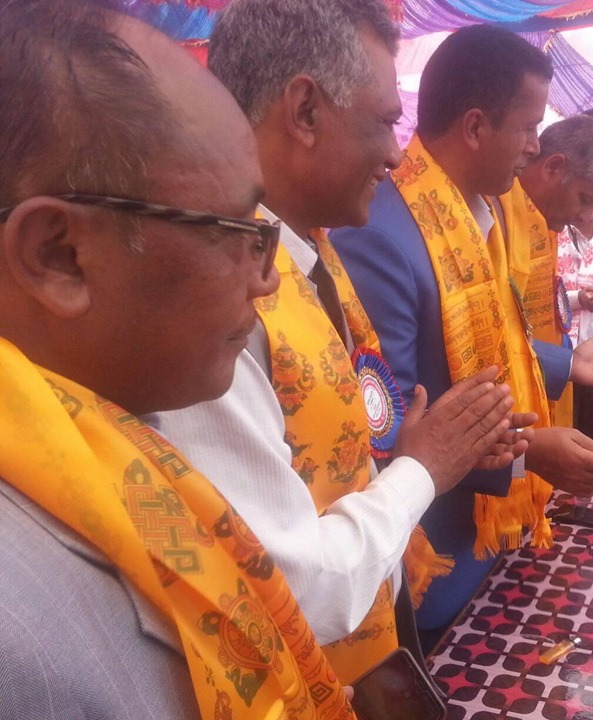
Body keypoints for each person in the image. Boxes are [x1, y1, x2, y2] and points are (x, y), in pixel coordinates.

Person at [149, 0, 525, 684]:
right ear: (304, 112)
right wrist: (422, 469)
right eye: (384, 122)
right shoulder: (212, 303)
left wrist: (414, 452)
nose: (397, 153)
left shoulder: (313, 254)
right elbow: (294, 590)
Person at [0, 2, 350, 715]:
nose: (267, 278)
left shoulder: (120, 429)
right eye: (238, 230)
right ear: (60, 256)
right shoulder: (21, 644)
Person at [332, 25, 593, 650]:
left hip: (496, 538)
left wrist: (566, 363)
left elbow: (494, 339)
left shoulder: (484, 211)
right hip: (437, 560)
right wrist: (528, 454)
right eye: (528, 128)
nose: (534, 147)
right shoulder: (381, 234)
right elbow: (387, 426)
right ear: (475, 127)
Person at [518, 114, 593, 446]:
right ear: (553, 167)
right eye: (585, 199)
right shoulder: (506, 219)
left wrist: (568, 361)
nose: (585, 214)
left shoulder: (547, 225)